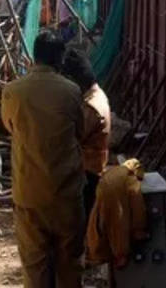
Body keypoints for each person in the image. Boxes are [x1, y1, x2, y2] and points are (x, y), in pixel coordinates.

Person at [1, 31, 85, 288]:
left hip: (29, 193)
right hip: (66, 192)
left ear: (34, 57)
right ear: (59, 59)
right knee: (69, 263)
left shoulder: (13, 91)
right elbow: (79, 131)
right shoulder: (71, 91)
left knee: (35, 265)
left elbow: (9, 126)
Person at [61, 48, 111, 220]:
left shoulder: (91, 107)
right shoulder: (96, 96)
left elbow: (72, 138)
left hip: (88, 174)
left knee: (82, 223)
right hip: (90, 170)